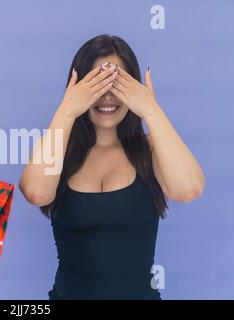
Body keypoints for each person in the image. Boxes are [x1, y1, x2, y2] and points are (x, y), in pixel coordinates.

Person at [19, 34, 205, 299]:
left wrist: (151, 110)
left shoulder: (149, 149)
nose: (107, 96)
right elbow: (36, 192)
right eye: (96, 84)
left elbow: (189, 189)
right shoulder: (60, 151)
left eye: (117, 84)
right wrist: (67, 110)